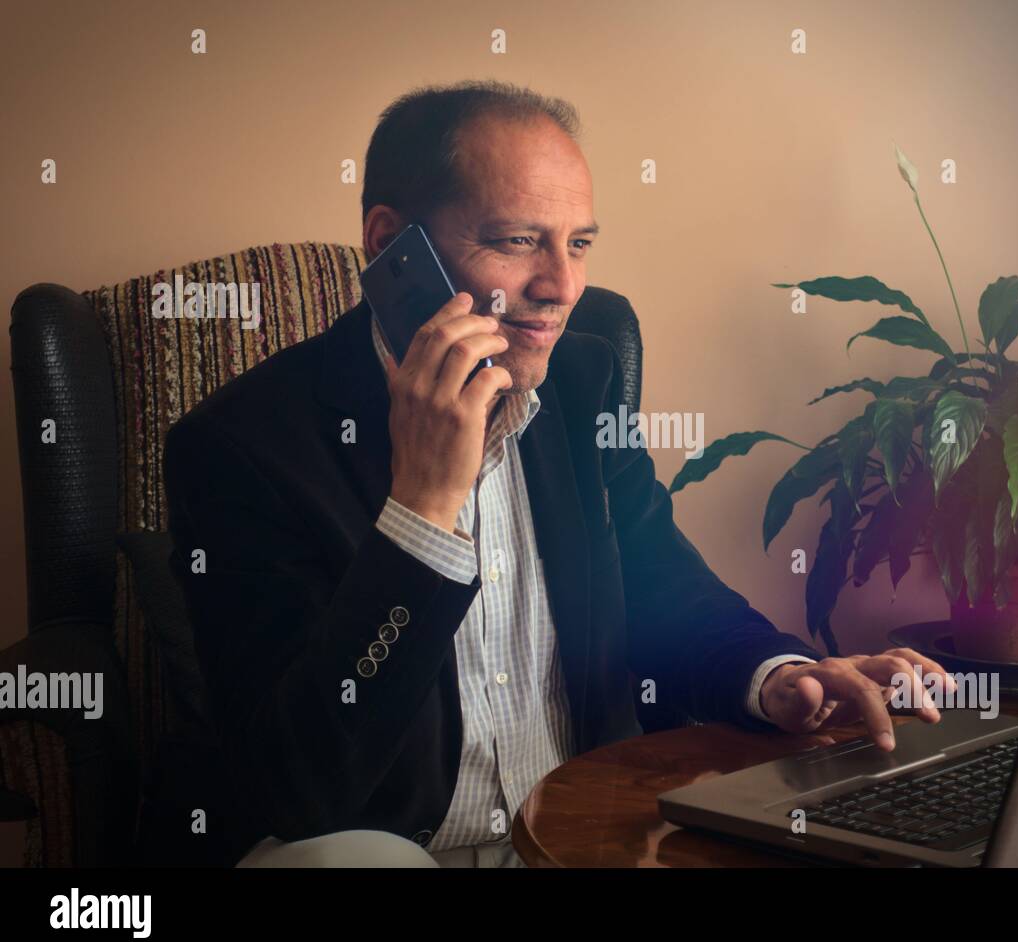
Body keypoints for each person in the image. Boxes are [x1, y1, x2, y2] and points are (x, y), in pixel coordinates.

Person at [164, 80, 951, 868]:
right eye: (515, 241)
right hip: (384, 849)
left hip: (576, 837)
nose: (562, 288)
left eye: (577, 243)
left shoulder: (581, 384)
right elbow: (300, 783)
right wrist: (423, 510)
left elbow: (663, 588)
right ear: (390, 246)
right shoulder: (243, 446)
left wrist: (782, 677)